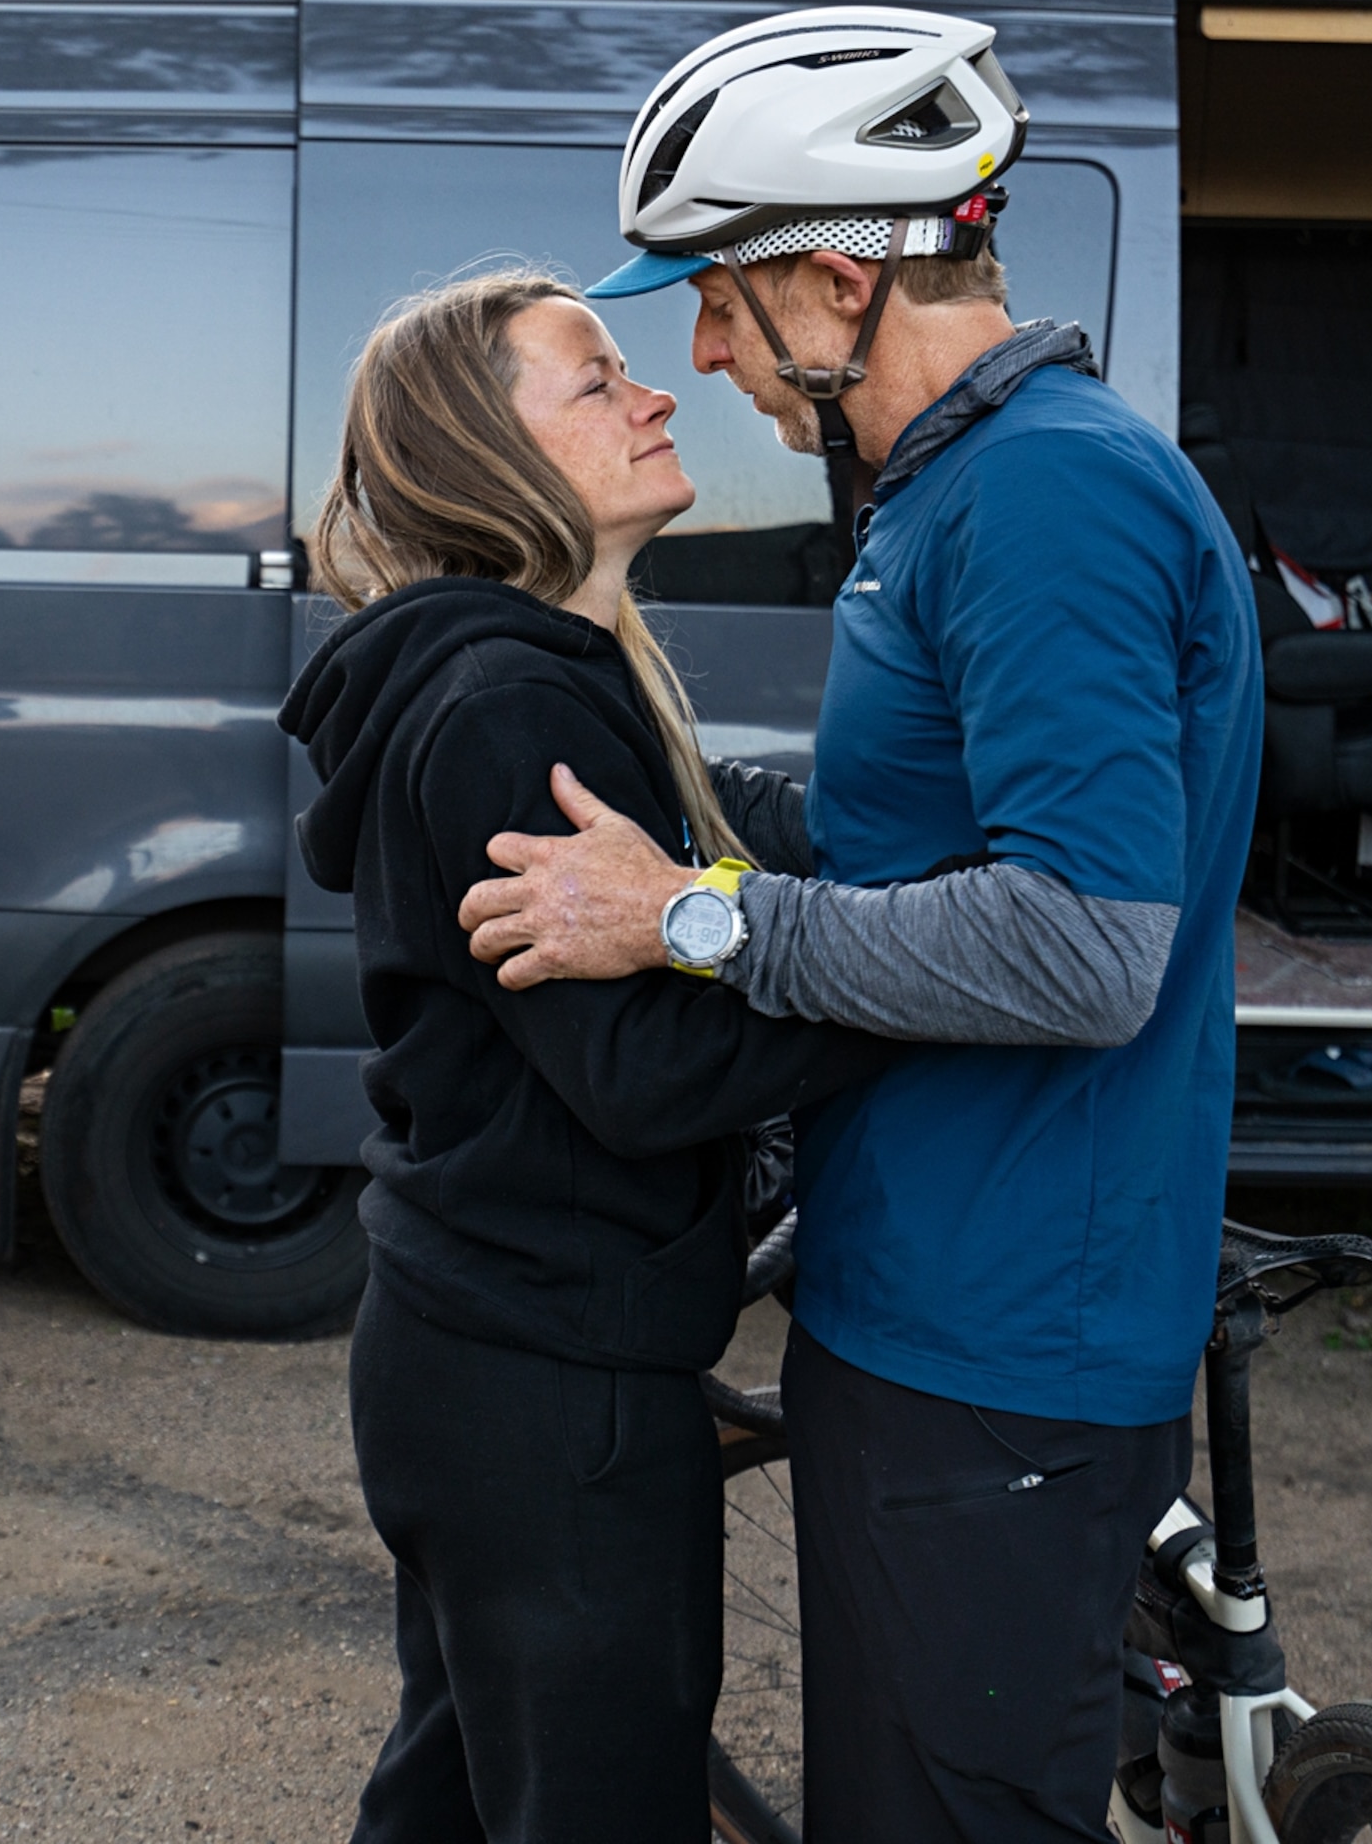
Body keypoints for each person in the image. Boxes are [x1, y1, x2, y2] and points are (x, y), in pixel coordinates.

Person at [455, 8, 1262, 1841]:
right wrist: (673, 787)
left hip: (1000, 1326)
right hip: (932, 1287)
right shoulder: (959, 485)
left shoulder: (1047, 492)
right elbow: (919, 834)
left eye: (718, 299)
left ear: (838, 279)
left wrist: (697, 923)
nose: (701, 351)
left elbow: (1078, 941)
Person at [279, 268, 903, 1843]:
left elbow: (705, 850)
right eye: (596, 379)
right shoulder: (504, 703)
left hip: (474, 1347)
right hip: (547, 1389)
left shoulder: (541, 674)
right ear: (487, 460)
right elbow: (640, 1070)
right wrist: (917, 989)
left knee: (452, 1797)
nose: (657, 395)